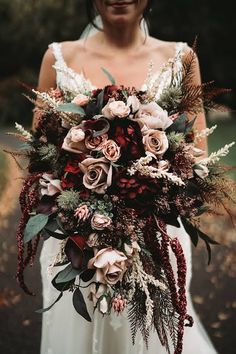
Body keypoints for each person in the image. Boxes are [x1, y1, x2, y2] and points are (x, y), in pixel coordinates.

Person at [34, 1, 217, 353]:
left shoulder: (181, 58)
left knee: (150, 337)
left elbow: (199, 159)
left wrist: (149, 188)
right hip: (74, 238)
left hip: (155, 235)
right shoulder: (58, 58)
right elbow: (40, 158)